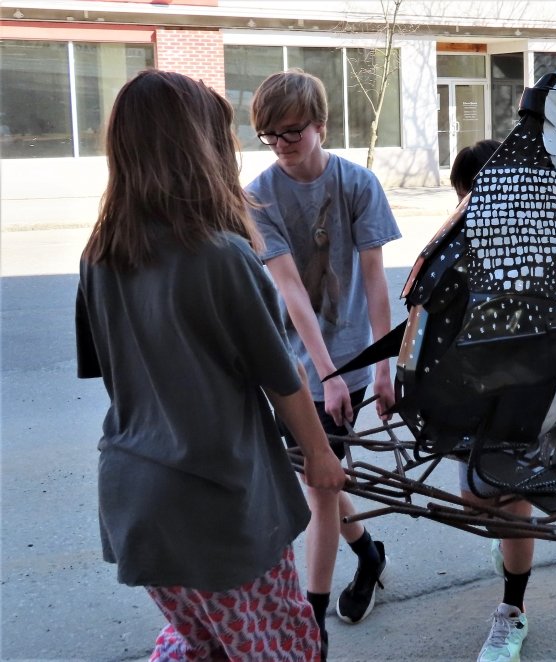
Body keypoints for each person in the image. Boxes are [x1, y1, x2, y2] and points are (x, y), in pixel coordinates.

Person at [75, 69, 345, 661]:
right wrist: (321, 456)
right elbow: (283, 378)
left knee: (202, 644)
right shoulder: (222, 256)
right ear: (199, 147)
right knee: (285, 648)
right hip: (218, 507)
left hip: (134, 502)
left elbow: (120, 373)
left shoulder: (99, 254)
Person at [245, 69, 401, 654]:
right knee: (322, 476)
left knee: (319, 486)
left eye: (292, 132)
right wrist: (322, 373)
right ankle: (367, 552)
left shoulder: (358, 183)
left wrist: (381, 368)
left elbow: (376, 281)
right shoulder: (257, 195)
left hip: (353, 363)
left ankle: (312, 629)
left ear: (320, 125)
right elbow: (289, 290)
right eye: (270, 136)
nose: (283, 145)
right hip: (290, 366)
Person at [449, 137, 534, 662]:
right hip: (470, 400)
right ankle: (511, 555)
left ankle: (513, 612)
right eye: (462, 199)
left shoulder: (537, 246)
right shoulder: (455, 248)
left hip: (522, 398)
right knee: (477, 500)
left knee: (510, 508)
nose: (467, 210)